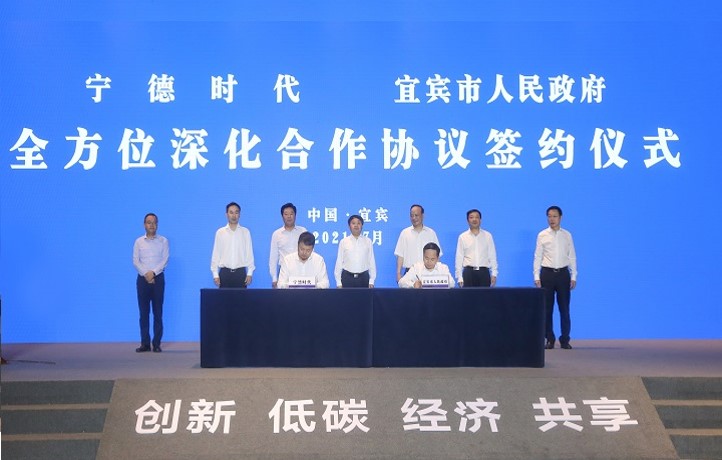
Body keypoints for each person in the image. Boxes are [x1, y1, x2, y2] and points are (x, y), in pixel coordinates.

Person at [533, 205, 577, 350]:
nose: (551, 219)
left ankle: (565, 339)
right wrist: (536, 276)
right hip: (547, 274)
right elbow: (538, 256)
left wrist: (574, 275)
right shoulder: (542, 235)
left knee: (564, 308)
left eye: (554, 216)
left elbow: (572, 256)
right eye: (549, 216)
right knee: (547, 309)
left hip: (563, 274)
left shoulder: (567, 235)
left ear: (560, 218)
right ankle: (549, 338)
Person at [132, 213, 169, 353]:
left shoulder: (163, 241)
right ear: (144, 225)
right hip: (142, 280)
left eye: (154, 222)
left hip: (158, 279)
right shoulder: (138, 242)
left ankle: (157, 343)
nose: (151, 225)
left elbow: (165, 260)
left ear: (157, 225)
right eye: (149, 222)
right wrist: (146, 274)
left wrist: (153, 273)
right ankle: (145, 343)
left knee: (158, 312)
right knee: (144, 313)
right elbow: (135, 261)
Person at [210, 202, 255, 288]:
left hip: (240, 274)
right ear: (226, 214)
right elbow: (216, 254)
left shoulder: (245, 232)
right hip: (224, 274)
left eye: (236, 212)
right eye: (231, 212)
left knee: (241, 297)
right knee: (223, 297)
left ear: (239, 215)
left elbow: (249, 253)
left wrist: (250, 273)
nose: (234, 215)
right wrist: (215, 274)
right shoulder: (220, 232)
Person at [394, 204, 441, 282]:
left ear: (422, 216)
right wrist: (398, 273)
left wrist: (438, 273)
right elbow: (400, 255)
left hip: (428, 273)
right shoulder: (405, 233)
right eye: (411, 216)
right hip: (409, 273)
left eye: (416, 215)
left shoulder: (431, 233)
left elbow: (437, 255)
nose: (414, 218)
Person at [455, 209, 498, 287]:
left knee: (485, 295)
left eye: (477, 217)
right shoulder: (463, 237)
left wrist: (494, 273)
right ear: (467, 220)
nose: (474, 219)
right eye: (471, 217)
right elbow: (459, 258)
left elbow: (492, 255)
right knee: (467, 295)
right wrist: (459, 277)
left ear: (480, 220)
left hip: (484, 272)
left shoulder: (488, 236)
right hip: (468, 273)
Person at [269, 203, 306, 288]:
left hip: (301, 270)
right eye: (286, 214)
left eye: (291, 214)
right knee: (284, 296)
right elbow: (273, 258)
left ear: (295, 215)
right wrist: (274, 278)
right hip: (284, 271)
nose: (289, 216)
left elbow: (310, 252)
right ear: (282, 216)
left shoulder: (303, 231)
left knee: (302, 295)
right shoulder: (276, 234)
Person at [334, 215, 377, 288]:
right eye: (353, 223)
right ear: (349, 226)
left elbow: (371, 261)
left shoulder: (368, 241)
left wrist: (372, 280)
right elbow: (339, 262)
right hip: (347, 277)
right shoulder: (343, 242)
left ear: (362, 226)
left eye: (359, 223)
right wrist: (338, 282)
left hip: (363, 278)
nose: (356, 225)